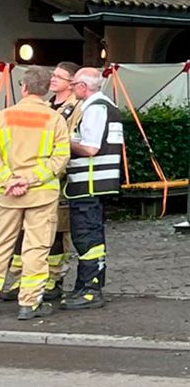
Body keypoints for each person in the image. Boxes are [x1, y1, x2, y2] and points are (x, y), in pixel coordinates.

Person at [0, 66, 70, 320]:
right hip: (41, 194)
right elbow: (60, 158)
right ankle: (29, 303)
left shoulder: (3, 117)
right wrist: (30, 179)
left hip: (8, 195)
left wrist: (9, 181)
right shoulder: (55, 119)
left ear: (23, 87)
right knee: (36, 248)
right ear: (47, 88)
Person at [3, 61, 82, 302]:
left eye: (60, 76)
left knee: (55, 230)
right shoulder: (45, 105)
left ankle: (52, 279)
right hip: (28, 176)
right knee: (22, 232)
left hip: (56, 177)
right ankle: (21, 278)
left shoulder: (76, 108)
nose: (54, 79)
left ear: (72, 83)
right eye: (53, 76)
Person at [62, 67, 122, 310]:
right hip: (94, 182)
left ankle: (90, 289)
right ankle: (86, 285)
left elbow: (90, 148)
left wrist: (63, 140)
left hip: (89, 183)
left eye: (74, 83)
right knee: (90, 234)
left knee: (87, 235)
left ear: (83, 87)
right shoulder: (103, 105)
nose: (72, 87)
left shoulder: (95, 108)